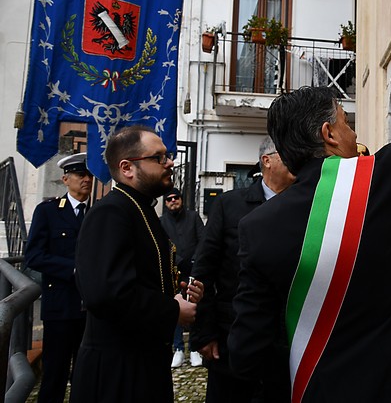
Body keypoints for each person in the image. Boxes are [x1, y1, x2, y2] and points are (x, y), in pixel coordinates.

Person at [228, 61, 391, 402]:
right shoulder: (388, 177)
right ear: (329, 134)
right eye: (346, 121)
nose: (353, 133)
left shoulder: (258, 228)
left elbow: (247, 352)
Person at [70, 126, 204, 403]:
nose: (169, 163)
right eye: (159, 157)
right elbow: (106, 293)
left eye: (168, 156)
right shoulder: (110, 212)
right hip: (116, 372)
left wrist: (176, 291)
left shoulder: (140, 209)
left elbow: (144, 274)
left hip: (145, 361)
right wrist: (172, 310)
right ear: (127, 168)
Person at [191, 137, 295, 402]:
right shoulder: (230, 205)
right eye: (288, 153)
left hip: (287, 340)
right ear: (267, 161)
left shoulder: (303, 205)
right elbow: (204, 269)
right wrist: (204, 332)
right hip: (232, 336)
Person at [24, 152, 92, 403]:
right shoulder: (49, 211)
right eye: (80, 175)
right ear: (65, 179)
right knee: (55, 372)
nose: (86, 179)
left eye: (88, 175)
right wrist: (72, 269)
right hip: (60, 305)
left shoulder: (96, 214)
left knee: (85, 374)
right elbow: (34, 256)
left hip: (89, 306)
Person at [160, 187, 206, 368]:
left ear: (181, 199)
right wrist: (178, 261)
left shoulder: (193, 217)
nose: (173, 201)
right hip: (173, 271)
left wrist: (194, 260)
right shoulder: (161, 222)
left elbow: (203, 239)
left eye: (176, 198)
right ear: (165, 202)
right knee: (175, 308)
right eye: (169, 199)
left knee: (195, 307)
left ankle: (194, 348)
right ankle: (178, 348)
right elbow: (163, 244)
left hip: (193, 270)